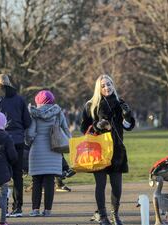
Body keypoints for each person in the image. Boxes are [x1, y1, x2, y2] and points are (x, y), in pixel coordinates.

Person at [81, 74, 135, 225]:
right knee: (101, 185)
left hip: (117, 151)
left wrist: (127, 116)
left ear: (113, 85)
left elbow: (129, 127)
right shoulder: (91, 105)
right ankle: (103, 216)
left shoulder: (120, 103)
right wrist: (97, 126)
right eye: (103, 85)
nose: (107, 87)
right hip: (99, 150)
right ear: (99, 88)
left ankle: (115, 214)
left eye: (109, 84)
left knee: (117, 186)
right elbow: (84, 128)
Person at [0, 74, 31, 217]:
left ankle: (2, 209)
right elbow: (28, 122)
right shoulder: (20, 100)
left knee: (2, 176)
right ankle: (18, 208)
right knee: (18, 175)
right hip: (17, 140)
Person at [25, 90, 69, 217]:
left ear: (37, 101)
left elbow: (31, 133)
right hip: (53, 149)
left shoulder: (33, 113)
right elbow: (65, 128)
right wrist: (69, 142)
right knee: (50, 181)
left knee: (36, 181)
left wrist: (28, 142)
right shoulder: (57, 112)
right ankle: (48, 210)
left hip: (37, 150)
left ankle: (35, 210)